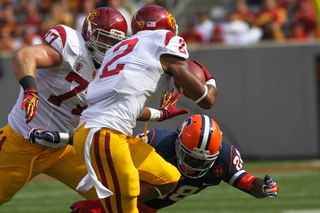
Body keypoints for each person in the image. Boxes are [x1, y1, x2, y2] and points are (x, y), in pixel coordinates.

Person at [46, 5, 218, 213]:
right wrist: (209, 80)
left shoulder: (119, 49)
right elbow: (206, 101)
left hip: (104, 132)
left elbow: (119, 99)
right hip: (105, 135)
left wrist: (160, 114)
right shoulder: (165, 38)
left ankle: (105, 204)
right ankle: (107, 205)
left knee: (168, 179)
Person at [0, 7, 130, 206]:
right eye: (103, 38)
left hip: (65, 149)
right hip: (21, 140)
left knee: (119, 196)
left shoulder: (116, 71)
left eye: (114, 41)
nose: (108, 46)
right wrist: (30, 90)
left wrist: (158, 114)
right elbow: (24, 56)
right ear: (88, 33)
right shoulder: (71, 47)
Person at [32, 114, 279, 213]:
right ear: (178, 143)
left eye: (200, 160)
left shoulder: (224, 157)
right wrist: (64, 139)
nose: (193, 164)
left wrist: (263, 187)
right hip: (128, 197)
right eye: (190, 156)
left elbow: (248, 183)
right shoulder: (156, 141)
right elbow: (108, 145)